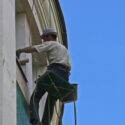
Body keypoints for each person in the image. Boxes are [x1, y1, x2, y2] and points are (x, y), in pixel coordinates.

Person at [16, 28, 71, 125]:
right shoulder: (64, 49)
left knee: (35, 97)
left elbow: (34, 49)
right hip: (64, 77)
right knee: (51, 102)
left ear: (49, 36)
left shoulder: (51, 44)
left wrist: (20, 50)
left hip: (55, 71)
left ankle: (35, 121)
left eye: (44, 38)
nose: (43, 41)